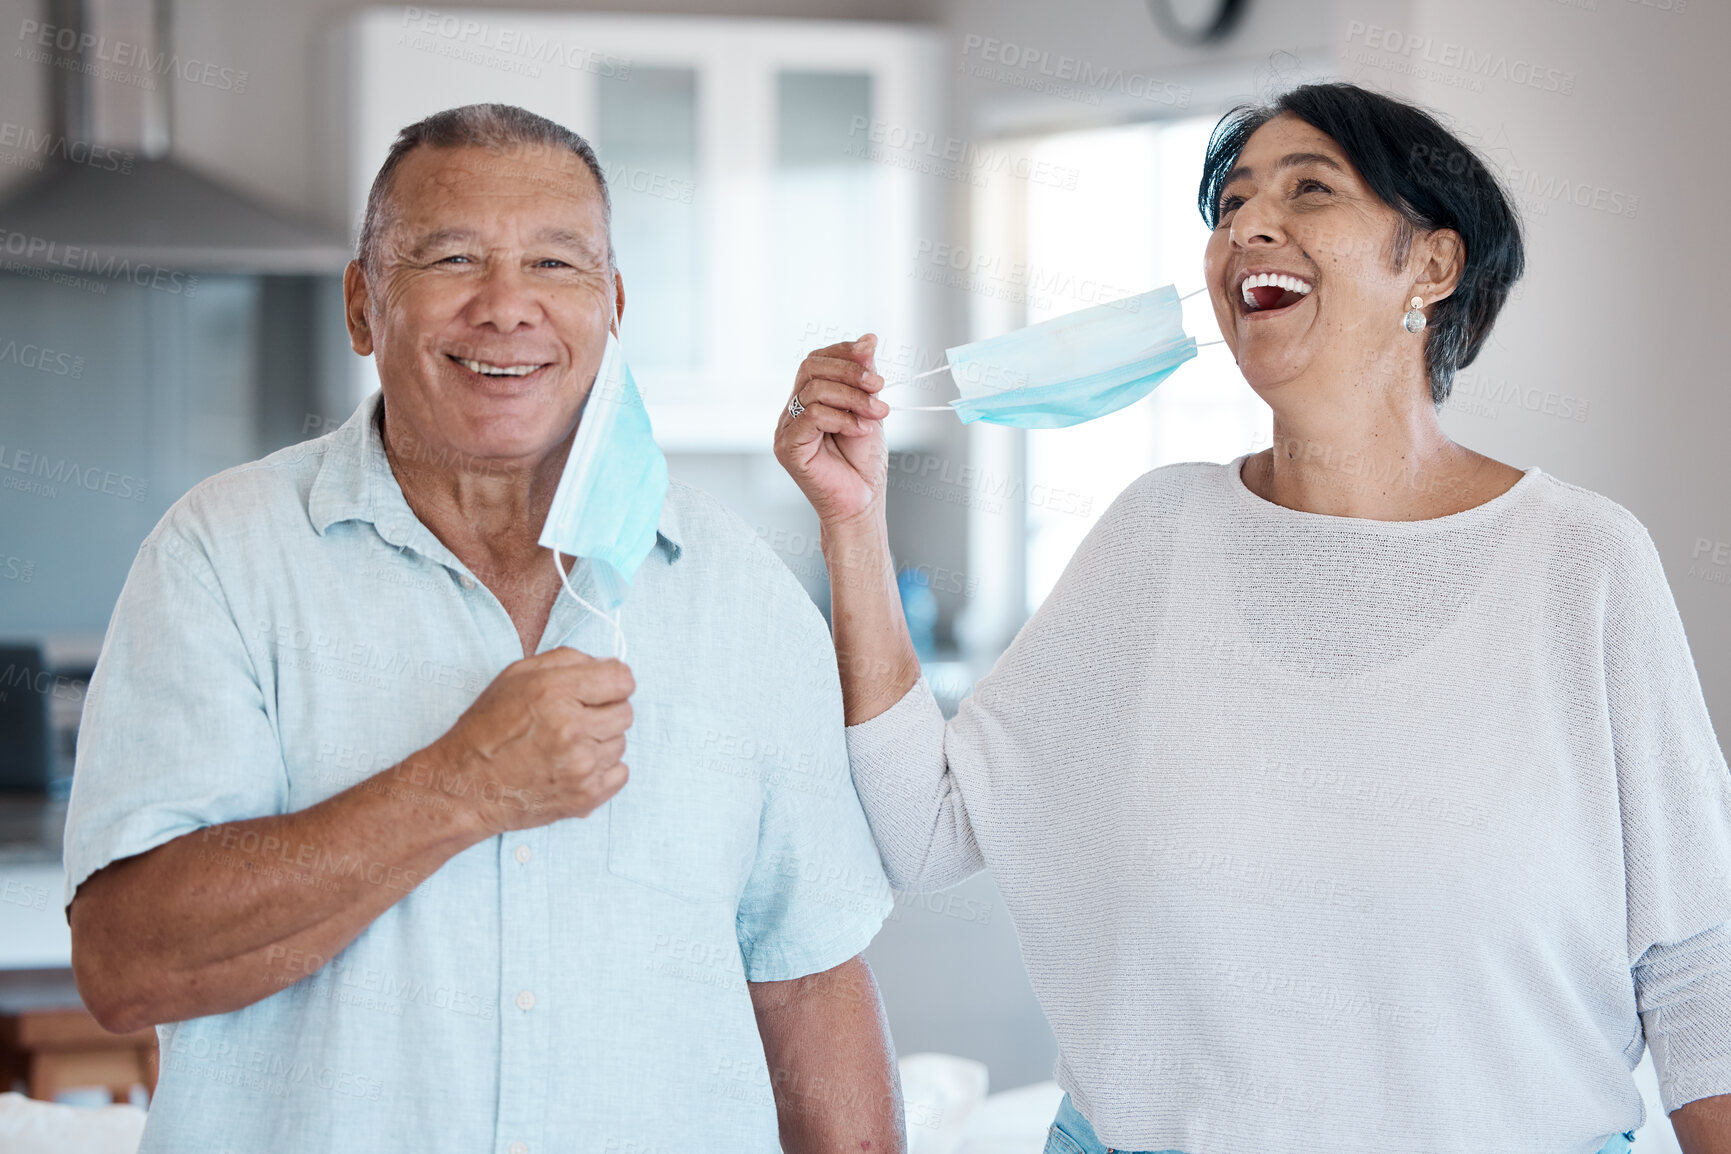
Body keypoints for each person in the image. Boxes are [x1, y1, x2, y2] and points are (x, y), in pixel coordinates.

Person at [775, 82, 1731, 1154]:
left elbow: (1700, 963)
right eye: (1230, 207)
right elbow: (925, 823)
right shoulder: (1156, 537)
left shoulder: (1582, 561)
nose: (1247, 230)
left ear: (1432, 265)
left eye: (1308, 189)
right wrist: (852, 526)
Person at [64, 103, 904, 1154]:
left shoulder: (741, 594)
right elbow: (126, 964)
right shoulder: (220, 559)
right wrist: (458, 785)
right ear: (364, 305)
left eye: (556, 264)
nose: (507, 307)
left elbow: (811, 986)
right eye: (451, 257)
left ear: (613, 305)